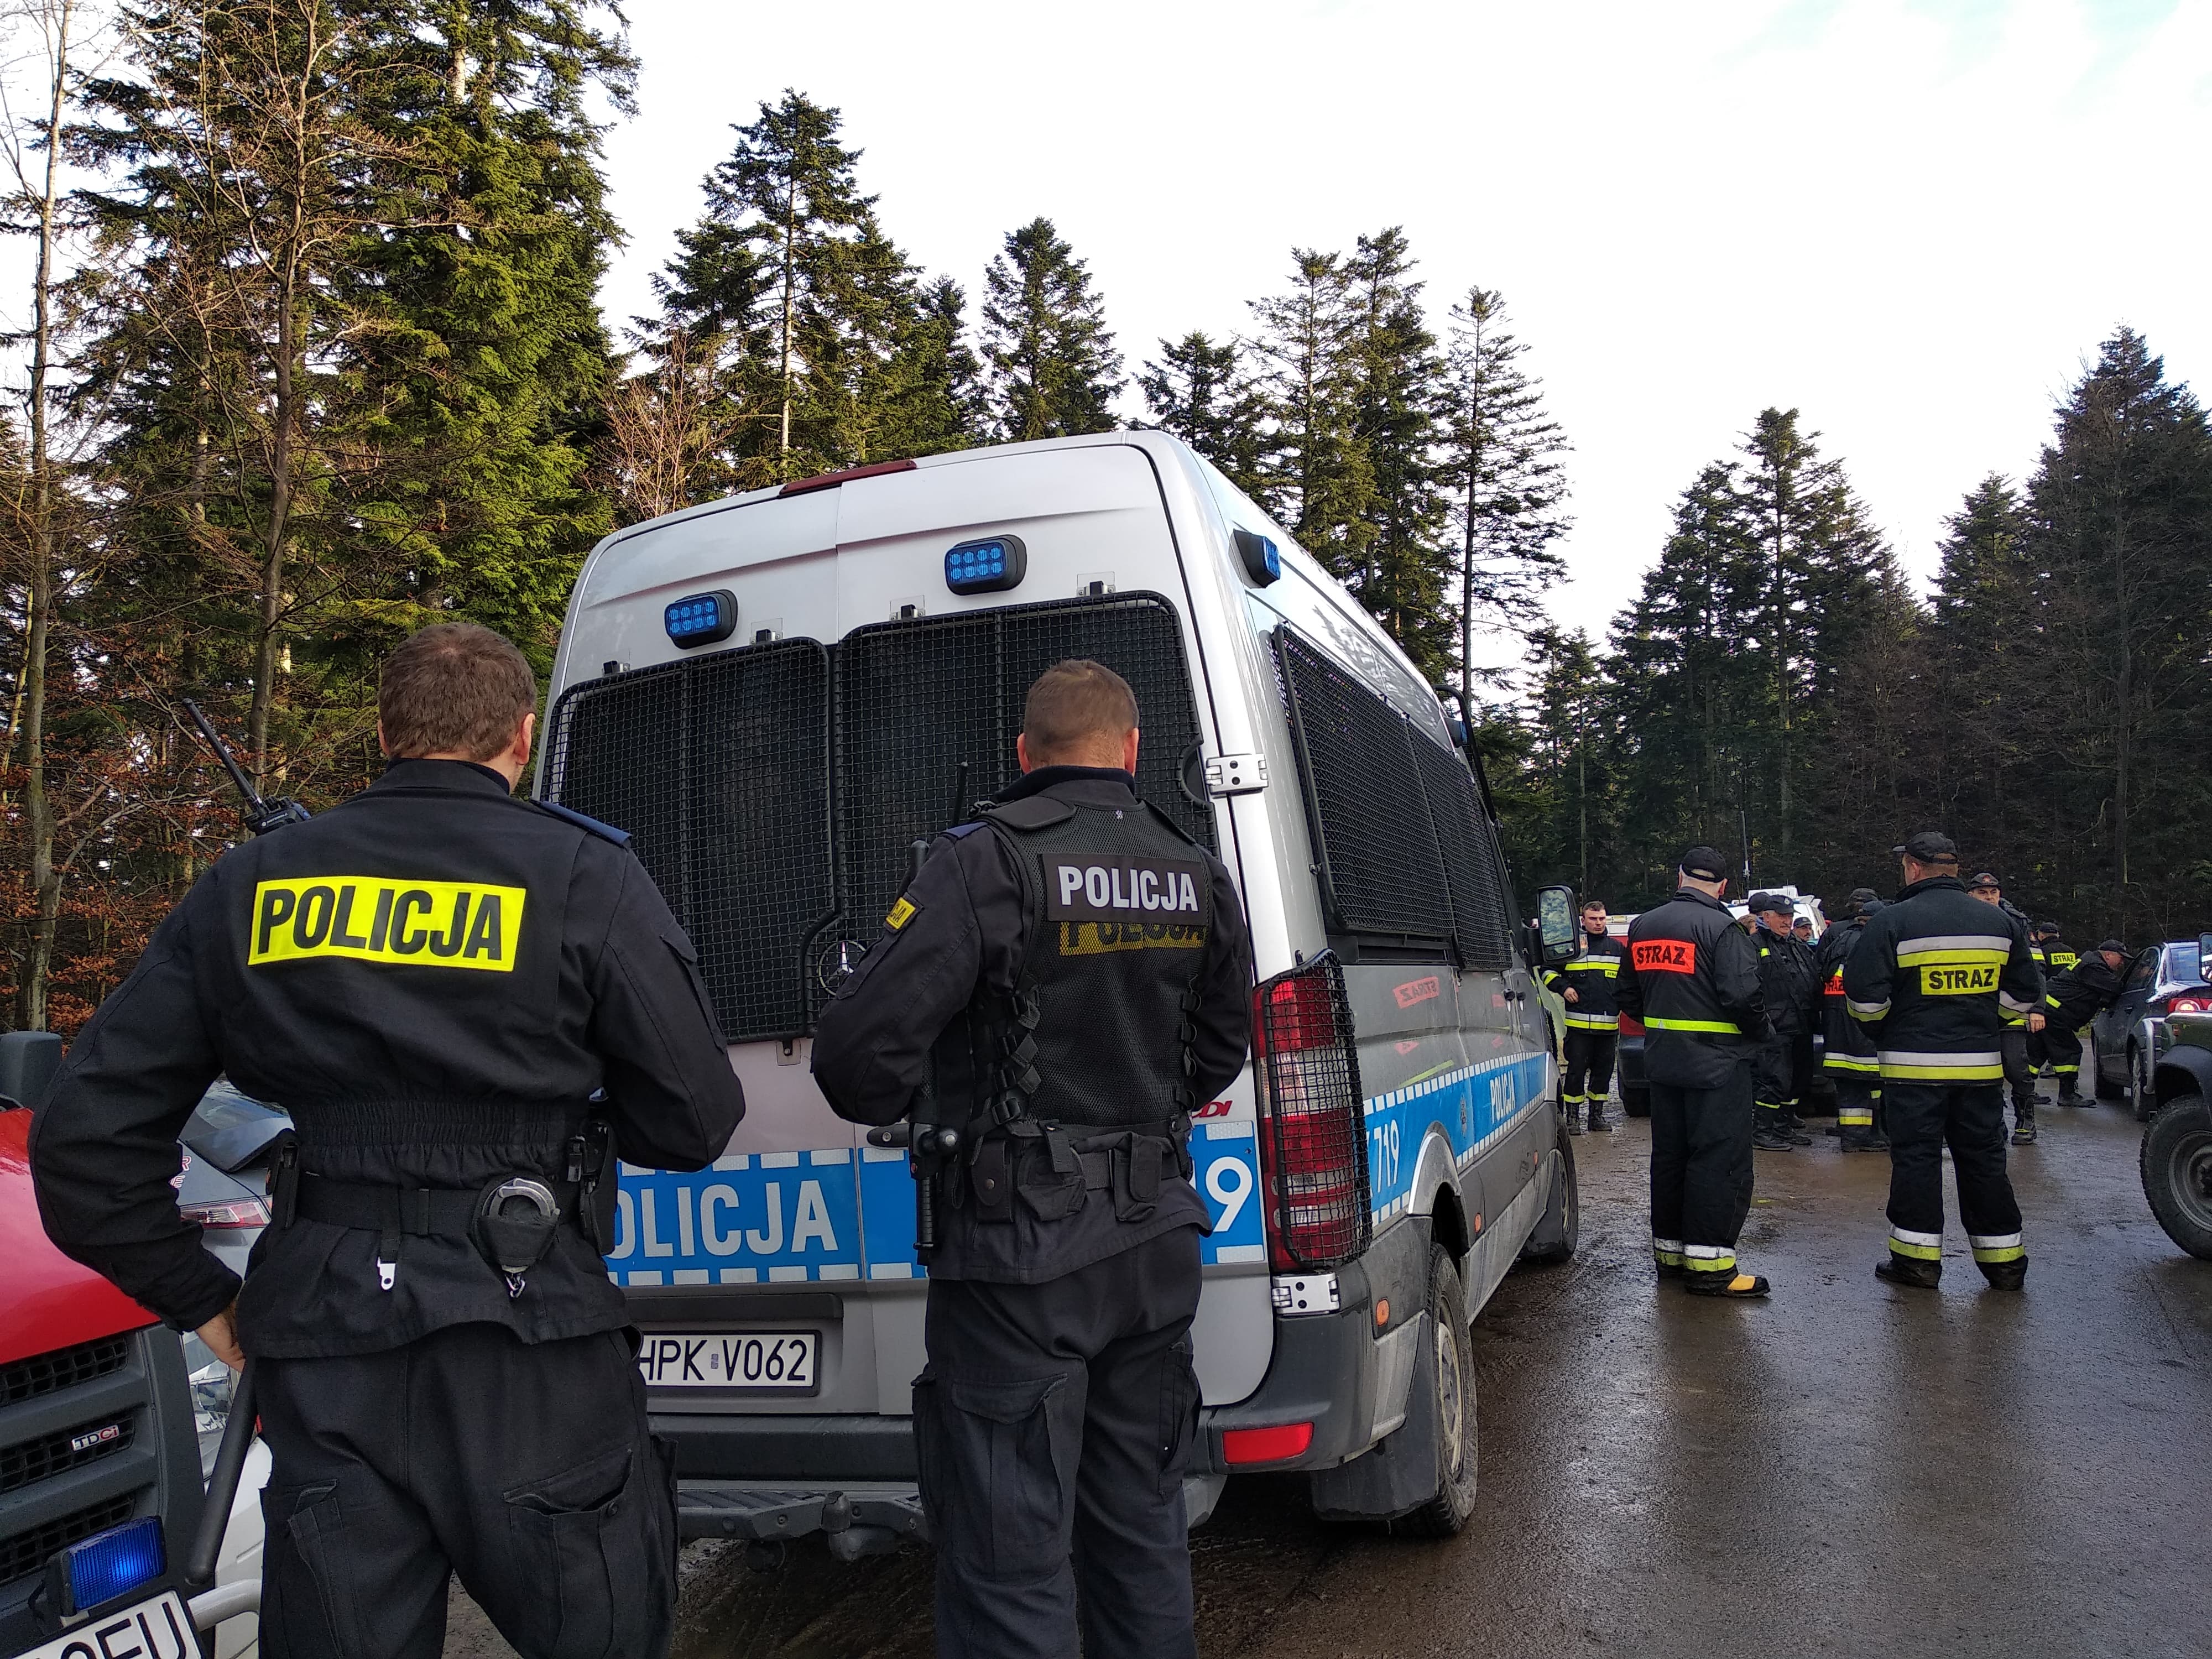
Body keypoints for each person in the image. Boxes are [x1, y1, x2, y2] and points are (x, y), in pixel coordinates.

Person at [29, 623, 746, 1658]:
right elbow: (695, 1120)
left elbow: (84, 1140)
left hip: (325, 1347)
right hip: (530, 1336)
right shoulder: (583, 874)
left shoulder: (254, 886)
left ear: (384, 731)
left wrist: (210, 1307)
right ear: (522, 736)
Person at [811, 659, 1253, 1659]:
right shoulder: (1193, 867)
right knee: (1141, 1527)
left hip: (1020, 1259)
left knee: (1010, 1557)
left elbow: (855, 1059)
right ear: (1132, 752)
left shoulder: (984, 861)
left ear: (1025, 754)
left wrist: (931, 1095)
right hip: (1154, 1243)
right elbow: (1221, 1044)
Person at [1843, 831, 2039, 1290]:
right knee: (1985, 1162)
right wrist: (1988, 1023)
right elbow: (2025, 993)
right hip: (1980, 1070)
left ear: (1912, 868)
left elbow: (1864, 999)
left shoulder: (1892, 922)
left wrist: (1889, 1032)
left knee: (1916, 1162)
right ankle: (2005, 1265)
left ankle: (1917, 1264)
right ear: (1954, 868)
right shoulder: (2000, 923)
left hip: (1912, 1072)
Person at [1613, 845, 1773, 1297]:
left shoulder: (1645, 926)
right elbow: (1743, 998)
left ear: (1679, 876)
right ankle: (1711, 1269)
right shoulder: (1722, 927)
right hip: (1718, 1067)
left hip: (1664, 1064)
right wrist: (1763, 1033)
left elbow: (1628, 993)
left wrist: (1667, 1026)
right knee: (1718, 1162)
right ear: (1723, 886)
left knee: (1670, 1159)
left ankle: (1671, 1257)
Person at [1967, 870, 2047, 1142]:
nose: (1989, 898)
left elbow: (2036, 969)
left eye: (1993, 893)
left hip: (2012, 1006)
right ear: (1971, 895)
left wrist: (2037, 1008)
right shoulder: (1962, 919)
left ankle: (2026, 1121)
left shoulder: (2016, 922)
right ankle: (1994, 1124)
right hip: (1976, 1009)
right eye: (1982, 893)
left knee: (2015, 1067)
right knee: (1983, 1071)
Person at [1816, 889, 1890, 1151]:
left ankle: (1853, 1137)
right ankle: (1869, 1136)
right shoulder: (1872, 944)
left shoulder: (1839, 940)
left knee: (1849, 1088)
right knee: (1871, 1084)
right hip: (1863, 1028)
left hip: (1836, 1029)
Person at [1748, 894, 1820, 1150]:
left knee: (1799, 1079)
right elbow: (1749, 988)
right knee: (1774, 1080)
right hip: (1774, 1027)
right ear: (1766, 917)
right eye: (1782, 916)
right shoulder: (1754, 945)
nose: (1787, 921)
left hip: (1801, 1024)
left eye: (1790, 916)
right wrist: (1762, 1021)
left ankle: (1783, 1125)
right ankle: (1763, 1131)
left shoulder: (1797, 945)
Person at [1546, 898, 1624, 1136]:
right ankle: (1572, 1118)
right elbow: (1548, 970)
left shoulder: (1618, 949)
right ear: (1583, 920)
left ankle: (1596, 1116)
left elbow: (1628, 982)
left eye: (1602, 919)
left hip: (1608, 1028)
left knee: (1603, 1073)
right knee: (1576, 1072)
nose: (1598, 923)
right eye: (1593, 919)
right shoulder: (1573, 948)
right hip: (1579, 1028)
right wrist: (1563, 988)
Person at [2042, 939, 2129, 1108]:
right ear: (2109, 955)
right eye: (2121, 958)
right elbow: (2115, 988)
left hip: (2050, 1010)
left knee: (2036, 1053)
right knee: (2070, 1051)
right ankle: (2067, 1095)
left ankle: (2025, 1093)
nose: (2122, 963)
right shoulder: (2093, 966)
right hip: (2055, 1012)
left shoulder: (2092, 962)